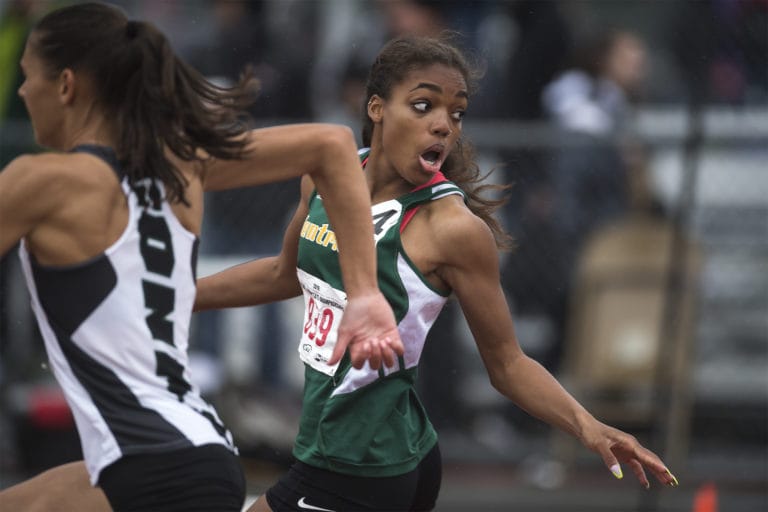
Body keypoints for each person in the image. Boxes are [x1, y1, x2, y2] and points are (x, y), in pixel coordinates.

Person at [195, 35, 680, 512]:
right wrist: (181, 294)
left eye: (457, 112)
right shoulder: (324, 177)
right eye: (424, 105)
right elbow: (284, 273)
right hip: (378, 447)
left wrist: (587, 426)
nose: (444, 125)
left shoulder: (452, 229)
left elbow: (508, 364)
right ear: (377, 108)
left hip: (359, 464)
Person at [0, 3, 402, 511]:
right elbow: (332, 143)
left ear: (64, 85)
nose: (20, 93)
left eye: (25, 77)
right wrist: (363, 293)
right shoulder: (181, 168)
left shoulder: (41, 182)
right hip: (202, 454)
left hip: (150, 470)